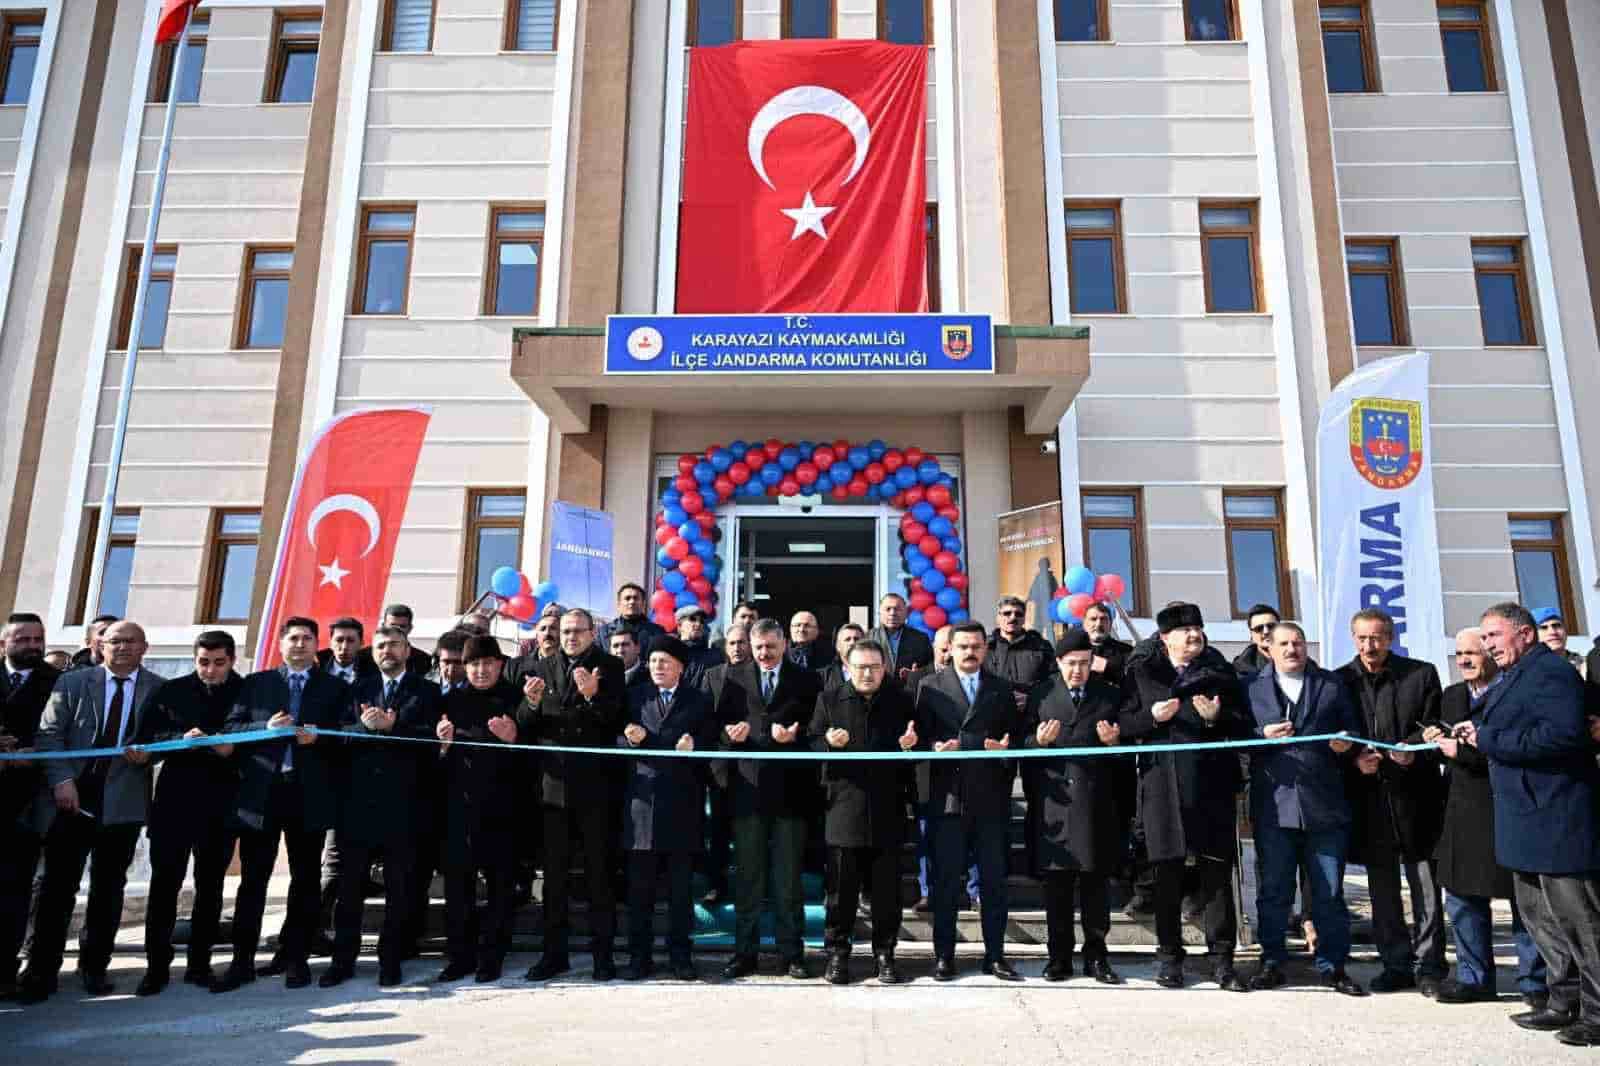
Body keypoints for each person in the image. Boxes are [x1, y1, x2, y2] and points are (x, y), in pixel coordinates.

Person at [1460, 602, 1600, 1046]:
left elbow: (1563, 735)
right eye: (1485, 638)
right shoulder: (1515, 675)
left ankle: (1597, 1014)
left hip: (1557, 816)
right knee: (1543, 921)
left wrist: (1489, 740)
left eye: (1495, 636)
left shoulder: (1551, 673)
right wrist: (1476, 731)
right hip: (1524, 818)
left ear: (1524, 634)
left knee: (1580, 921)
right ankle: (1563, 1002)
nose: (1489, 646)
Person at [17, 621, 161, 1003]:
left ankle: (94, 967)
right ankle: (41, 970)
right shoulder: (74, 683)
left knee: (109, 889)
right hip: (71, 800)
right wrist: (61, 781)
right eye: (115, 641)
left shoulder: (159, 689)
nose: (123, 647)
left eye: (131, 641)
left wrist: (151, 753)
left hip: (123, 802)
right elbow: (49, 733)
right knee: (56, 888)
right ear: (101, 645)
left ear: (144, 647)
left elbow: (164, 738)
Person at [1117, 603, 1249, 991]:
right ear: (1165, 638)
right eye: (1185, 630)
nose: (1194, 635)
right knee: (1166, 875)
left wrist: (1215, 719)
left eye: (1198, 628)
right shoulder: (1143, 673)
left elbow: (1244, 724)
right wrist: (1151, 719)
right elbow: (1123, 724)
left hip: (1211, 785)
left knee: (1216, 875)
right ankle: (1169, 957)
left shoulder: (1220, 672)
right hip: (1161, 786)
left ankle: (1222, 960)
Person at [214, 617, 348, 994]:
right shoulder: (257, 684)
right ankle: (241, 962)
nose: (301, 644)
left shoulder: (334, 688)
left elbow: (347, 735)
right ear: (280, 643)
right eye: (294, 638)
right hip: (262, 794)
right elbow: (232, 728)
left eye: (308, 638)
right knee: (253, 881)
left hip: (308, 795)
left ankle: (296, 959)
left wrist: (319, 739)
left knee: (305, 881)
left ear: (316, 644)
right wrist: (265, 731)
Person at [1422, 627, 1547, 1007]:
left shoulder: (1514, 692)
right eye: (1459, 654)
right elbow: (1447, 743)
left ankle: (1534, 983)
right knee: (1462, 897)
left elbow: (1517, 747)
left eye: (1472, 653)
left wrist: (1462, 752)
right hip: (1462, 808)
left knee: (1522, 899)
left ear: (1492, 654)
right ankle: (1474, 978)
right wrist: (1429, 741)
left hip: (1507, 805)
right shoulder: (1452, 696)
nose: (1464, 660)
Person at [1242, 622, 1366, 996]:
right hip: (1274, 807)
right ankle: (1272, 962)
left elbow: (1353, 730)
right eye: (1284, 644)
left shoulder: (1331, 684)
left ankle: (1333, 966)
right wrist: (1260, 737)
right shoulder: (1250, 688)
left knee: (1328, 892)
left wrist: (1346, 747)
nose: (1292, 649)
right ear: (1270, 648)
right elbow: (1234, 738)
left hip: (1324, 807)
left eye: (1298, 643)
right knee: (1274, 892)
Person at [322, 626, 441, 988]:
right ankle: (342, 961)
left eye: (394, 645)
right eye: (381, 646)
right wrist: (364, 726)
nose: (387, 651)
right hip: (357, 806)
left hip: (405, 807)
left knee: (399, 888)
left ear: (408, 651)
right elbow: (336, 736)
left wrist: (395, 726)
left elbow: (433, 741)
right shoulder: (355, 690)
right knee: (349, 889)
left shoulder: (428, 691)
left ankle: (391, 960)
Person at [1336, 607, 1447, 995]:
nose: (1370, 645)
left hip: (1417, 797)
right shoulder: (1339, 681)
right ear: (1353, 639)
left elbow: (1437, 728)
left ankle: (1431, 966)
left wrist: (1414, 751)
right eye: (1363, 638)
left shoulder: (1421, 674)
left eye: (1378, 637)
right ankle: (1395, 964)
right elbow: (1334, 738)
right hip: (1369, 801)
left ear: (1391, 637)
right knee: (1382, 890)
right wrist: (1353, 760)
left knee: (1426, 888)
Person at [518, 607, 627, 983]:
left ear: (593, 632)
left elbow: (618, 718)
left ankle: (603, 956)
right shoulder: (543, 667)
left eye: (578, 631)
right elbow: (526, 727)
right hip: (553, 790)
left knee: (599, 877)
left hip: (596, 789)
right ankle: (554, 955)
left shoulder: (609, 667)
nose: (570, 637)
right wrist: (529, 705)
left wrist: (593, 696)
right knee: (555, 879)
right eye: (565, 631)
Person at [134, 631, 243, 995]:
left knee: (210, 888)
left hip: (221, 806)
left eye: (218, 663)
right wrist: (182, 739)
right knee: (164, 886)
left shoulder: (246, 691)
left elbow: (253, 734)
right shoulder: (172, 691)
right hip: (174, 804)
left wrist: (221, 745)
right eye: (203, 662)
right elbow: (148, 737)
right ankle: (156, 967)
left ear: (232, 660)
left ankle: (200, 964)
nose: (209, 670)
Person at [917, 621, 1023, 981]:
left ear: (986, 649)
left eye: (976, 646)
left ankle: (995, 955)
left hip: (989, 798)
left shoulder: (1000, 689)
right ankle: (944, 955)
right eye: (962, 646)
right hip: (948, 799)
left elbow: (1014, 741)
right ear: (950, 649)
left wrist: (1004, 752)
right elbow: (919, 739)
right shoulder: (930, 687)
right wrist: (933, 748)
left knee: (993, 882)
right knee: (946, 883)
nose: (969, 652)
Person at [810, 640, 918, 985]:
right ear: (847, 667)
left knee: (887, 893)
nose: (867, 673)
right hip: (843, 808)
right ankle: (838, 955)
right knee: (840, 891)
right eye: (860, 667)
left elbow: (917, 746)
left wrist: (908, 748)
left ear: (884, 668)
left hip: (887, 807)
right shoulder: (829, 699)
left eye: (874, 667)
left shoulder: (900, 701)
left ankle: (885, 954)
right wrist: (828, 742)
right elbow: (810, 744)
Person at [718, 618, 819, 980]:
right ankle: (745, 953)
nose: (763, 654)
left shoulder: (808, 679)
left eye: (771, 648)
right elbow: (717, 728)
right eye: (758, 647)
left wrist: (799, 734)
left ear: (784, 645)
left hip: (790, 794)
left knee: (788, 881)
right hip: (747, 791)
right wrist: (731, 734)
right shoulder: (731, 678)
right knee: (748, 880)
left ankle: (791, 954)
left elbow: (819, 727)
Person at [1024, 628, 1125, 985]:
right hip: (1055, 806)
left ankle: (1097, 956)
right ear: (1058, 663)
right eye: (1071, 664)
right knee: (1057, 888)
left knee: (1096, 887)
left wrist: (1114, 745)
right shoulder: (1042, 695)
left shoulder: (1108, 695)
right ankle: (1059, 957)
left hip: (1096, 804)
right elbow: (1020, 743)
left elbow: (1125, 753)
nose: (1077, 671)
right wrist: (1037, 741)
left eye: (1083, 663)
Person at [619, 635, 719, 982]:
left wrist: (697, 745)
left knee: (679, 893)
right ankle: (639, 957)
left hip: (682, 805)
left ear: (681, 666)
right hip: (642, 808)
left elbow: (712, 743)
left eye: (664, 662)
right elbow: (615, 738)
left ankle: (680, 956)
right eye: (653, 662)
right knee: (640, 893)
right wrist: (627, 739)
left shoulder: (699, 701)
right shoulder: (635, 696)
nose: (657, 667)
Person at [434, 635, 523, 984]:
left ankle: (493, 955)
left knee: (501, 887)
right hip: (460, 809)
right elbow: (433, 763)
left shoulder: (515, 699)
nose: (481, 670)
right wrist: (442, 747)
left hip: (504, 808)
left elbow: (536, 758)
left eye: (487, 663)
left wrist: (513, 738)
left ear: (500, 665)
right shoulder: (450, 701)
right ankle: (460, 955)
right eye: (473, 664)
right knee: (459, 886)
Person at [0, 612, 60, 998]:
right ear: (4, 642)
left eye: (38, 639)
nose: (33, 647)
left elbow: (65, 731)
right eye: (23, 639)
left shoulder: (57, 683)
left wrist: (32, 754)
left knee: (15, 890)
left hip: (28, 801)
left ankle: (6, 971)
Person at [408, 627, 469, 955]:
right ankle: (411, 935)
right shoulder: (425, 691)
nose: (451, 669)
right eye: (446, 662)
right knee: (416, 872)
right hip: (422, 792)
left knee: (456, 874)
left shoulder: (472, 694)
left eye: (458, 662)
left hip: (460, 795)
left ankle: (456, 941)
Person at [987, 596, 1053, 877]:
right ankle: (998, 864)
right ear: (998, 617)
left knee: (1037, 798)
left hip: (1032, 732)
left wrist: (1032, 698)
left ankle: (1036, 864)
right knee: (996, 800)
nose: (1012, 617)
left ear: (1024, 616)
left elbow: (1054, 682)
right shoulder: (986, 647)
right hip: (996, 732)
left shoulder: (1041, 647)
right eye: (1006, 613)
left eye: (1017, 613)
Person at [696, 623, 753, 906]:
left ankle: (750, 885)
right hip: (720, 764)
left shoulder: (761, 675)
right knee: (718, 830)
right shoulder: (712, 675)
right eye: (732, 643)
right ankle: (716, 884)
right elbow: (704, 717)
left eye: (742, 642)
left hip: (755, 763)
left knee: (750, 831)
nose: (737, 648)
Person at [868, 593, 933, 681]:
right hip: (878, 691)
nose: (892, 613)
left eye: (897, 609)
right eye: (888, 609)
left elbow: (931, 668)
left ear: (906, 612)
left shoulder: (920, 639)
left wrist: (917, 674)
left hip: (909, 691)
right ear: (879, 612)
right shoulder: (869, 637)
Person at [356, 604, 433, 677]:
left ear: (410, 628)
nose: (397, 630)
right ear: (383, 626)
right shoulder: (362, 657)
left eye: (402, 626)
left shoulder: (423, 660)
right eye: (392, 625)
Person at [596, 583, 667, 649]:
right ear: (619, 604)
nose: (632, 602)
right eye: (627, 598)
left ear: (643, 604)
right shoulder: (604, 632)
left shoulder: (657, 632)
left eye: (636, 598)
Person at [1081, 601, 1132, 687]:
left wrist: (1107, 667)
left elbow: (1134, 681)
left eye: (1103, 619)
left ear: (1110, 623)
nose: (1098, 624)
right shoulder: (1074, 651)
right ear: (1084, 624)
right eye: (1093, 619)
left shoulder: (1126, 651)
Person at [674, 605, 722, 688]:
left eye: (702, 621)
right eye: (692, 619)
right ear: (679, 626)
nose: (698, 624)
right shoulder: (670, 654)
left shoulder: (713, 656)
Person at [1534, 607, 1586, 677]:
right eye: (1544, 628)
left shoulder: (1586, 665)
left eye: (1557, 626)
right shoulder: (1529, 670)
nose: (1553, 632)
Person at [316, 617, 369, 684]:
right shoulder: (314, 671)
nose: (344, 647)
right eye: (339, 640)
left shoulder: (372, 675)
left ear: (361, 643)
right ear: (330, 643)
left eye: (351, 641)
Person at [820, 622, 867, 697]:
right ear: (838, 646)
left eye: (856, 639)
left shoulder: (877, 672)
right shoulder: (824, 676)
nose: (852, 642)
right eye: (847, 639)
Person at [1233, 604, 1280, 677]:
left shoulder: (1299, 661)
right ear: (1251, 635)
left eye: (1271, 626)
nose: (1266, 631)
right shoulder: (1239, 672)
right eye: (1259, 628)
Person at [610, 629, 651, 695]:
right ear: (610, 651)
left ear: (637, 648)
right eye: (615, 646)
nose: (620, 650)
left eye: (625, 644)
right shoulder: (602, 677)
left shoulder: (651, 676)